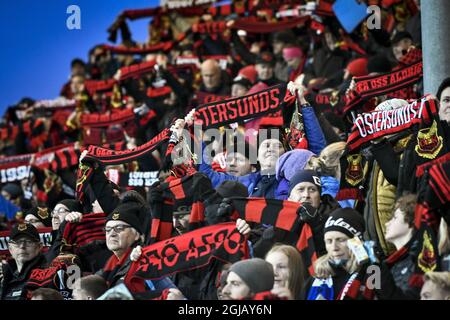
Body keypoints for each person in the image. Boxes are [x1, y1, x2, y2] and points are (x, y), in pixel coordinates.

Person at [302, 208, 371, 300]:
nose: (334, 247)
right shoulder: (316, 278)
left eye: (341, 240)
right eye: (329, 241)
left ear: (356, 242)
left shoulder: (372, 272)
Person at [0, 223, 47, 300]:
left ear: (39, 247)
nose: (22, 246)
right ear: (10, 248)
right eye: (17, 242)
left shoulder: (48, 275)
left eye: (28, 242)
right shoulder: (4, 277)